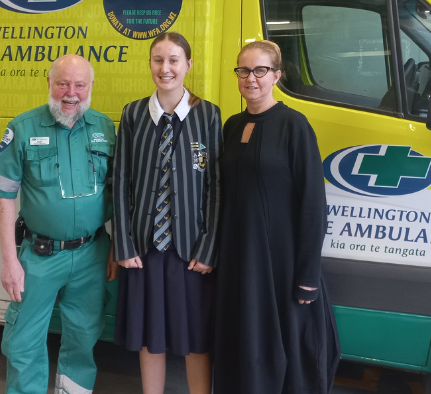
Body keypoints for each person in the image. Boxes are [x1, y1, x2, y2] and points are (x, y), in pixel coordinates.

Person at [0, 54, 118, 394]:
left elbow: (118, 194)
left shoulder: (105, 128)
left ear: (90, 88)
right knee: (24, 341)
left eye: (79, 85)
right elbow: (2, 197)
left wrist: (116, 247)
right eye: (62, 84)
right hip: (39, 256)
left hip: (92, 254)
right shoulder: (23, 128)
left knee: (84, 338)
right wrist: (9, 261)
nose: (70, 93)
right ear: (49, 83)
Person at [212, 40, 340, 394]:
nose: (250, 78)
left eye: (260, 70)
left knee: (283, 353)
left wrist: (308, 276)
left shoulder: (294, 126)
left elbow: (313, 204)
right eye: (243, 70)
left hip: (279, 265)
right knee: (241, 342)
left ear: (277, 76)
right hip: (239, 261)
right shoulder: (233, 125)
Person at [112, 32, 222, 394]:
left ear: (188, 65)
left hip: (191, 251)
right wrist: (123, 245)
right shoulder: (132, 113)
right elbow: (121, 180)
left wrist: (208, 249)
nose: (166, 68)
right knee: (150, 337)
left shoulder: (207, 114)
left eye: (174, 60)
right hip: (144, 250)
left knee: (196, 339)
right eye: (158, 60)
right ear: (149, 65)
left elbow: (215, 186)